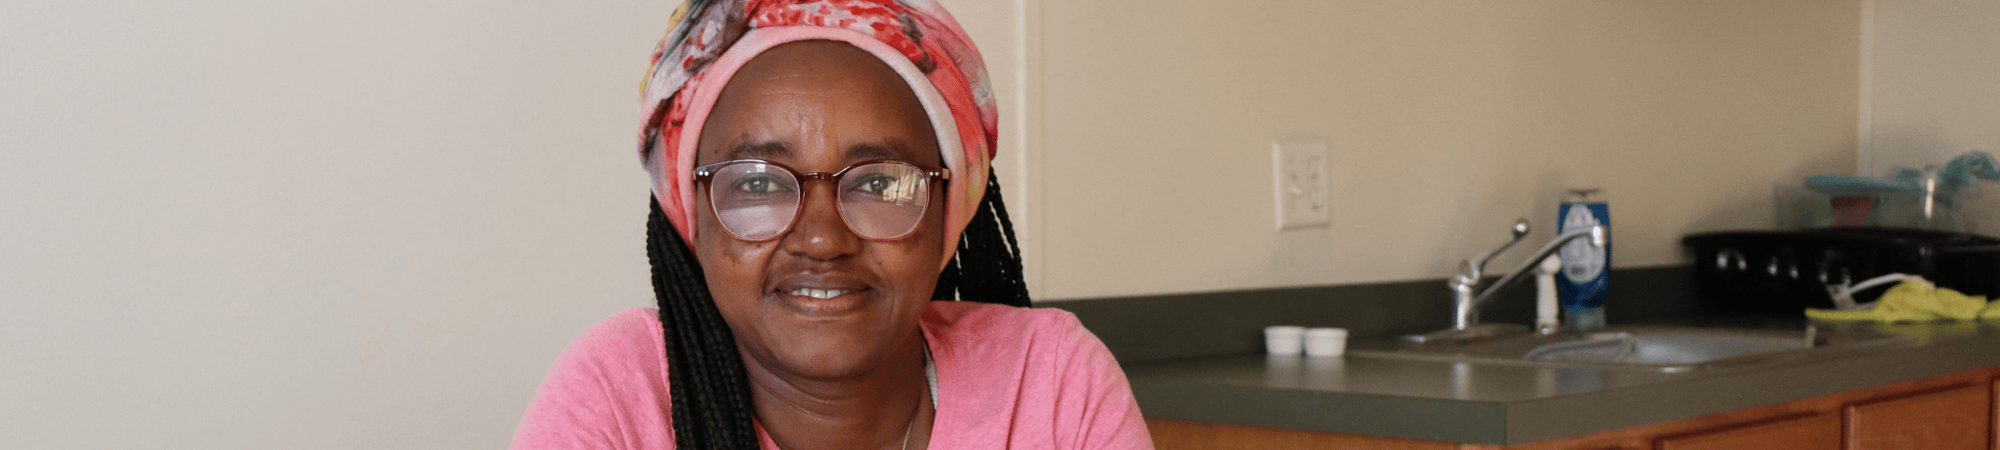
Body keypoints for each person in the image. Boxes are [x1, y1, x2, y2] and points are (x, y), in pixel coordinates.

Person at [510, 1, 1154, 449]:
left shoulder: (1050, 382)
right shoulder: (621, 394)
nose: (822, 239)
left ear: (949, 213)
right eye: (757, 183)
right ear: (692, 220)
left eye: (879, 183)